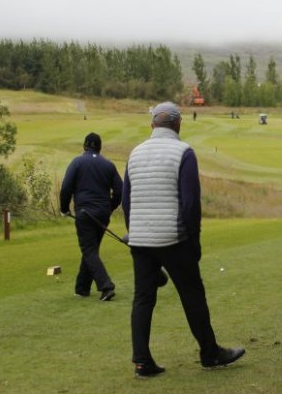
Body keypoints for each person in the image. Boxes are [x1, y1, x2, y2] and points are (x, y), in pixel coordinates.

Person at [121, 101, 245, 378]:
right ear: (178, 124)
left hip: (140, 240)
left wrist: (135, 231)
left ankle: (142, 362)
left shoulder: (135, 153)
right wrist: (194, 242)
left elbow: (126, 201)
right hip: (174, 238)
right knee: (192, 295)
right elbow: (190, 204)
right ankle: (210, 353)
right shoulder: (184, 152)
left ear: (152, 124)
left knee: (143, 298)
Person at [59, 132, 123, 301]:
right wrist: (109, 207)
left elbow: (66, 188)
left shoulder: (77, 162)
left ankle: (106, 286)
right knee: (91, 250)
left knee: (89, 250)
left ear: (85, 146)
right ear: (100, 147)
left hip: (84, 212)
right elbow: (120, 191)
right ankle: (82, 289)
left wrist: (64, 209)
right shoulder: (108, 165)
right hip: (102, 213)